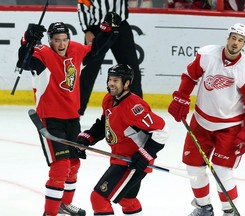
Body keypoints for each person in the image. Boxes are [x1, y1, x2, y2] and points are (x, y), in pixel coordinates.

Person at [16, 21, 114, 216]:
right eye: (56, 40)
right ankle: (50, 213)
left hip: (72, 118)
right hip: (50, 119)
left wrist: (109, 30)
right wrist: (26, 41)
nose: (61, 45)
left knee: (74, 164)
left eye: (64, 40)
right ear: (49, 41)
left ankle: (64, 204)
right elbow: (23, 62)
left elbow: (95, 50)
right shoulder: (42, 53)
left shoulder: (75, 49)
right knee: (60, 166)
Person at [168, 23, 245, 216]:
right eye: (233, 38)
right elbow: (190, 75)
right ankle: (203, 207)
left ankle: (230, 212)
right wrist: (181, 96)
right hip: (201, 123)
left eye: (240, 40)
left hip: (229, 128)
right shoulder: (207, 55)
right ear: (227, 38)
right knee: (193, 168)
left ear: (244, 44)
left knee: (223, 172)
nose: (236, 43)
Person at [76, 64, 168, 215]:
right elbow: (104, 123)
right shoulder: (108, 100)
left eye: (116, 80)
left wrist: (146, 154)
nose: (111, 83)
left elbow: (162, 130)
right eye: (110, 79)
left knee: (98, 198)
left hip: (132, 163)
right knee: (127, 200)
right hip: (120, 158)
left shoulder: (134, 107)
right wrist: (88, 137)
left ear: (126, 84)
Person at [77, 0, 143, 116]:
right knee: (88, 73)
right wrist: (87, 29)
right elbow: (83, 3)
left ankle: (138, 112)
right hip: (97, 29)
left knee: (132, 72)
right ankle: (75, 112)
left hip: (121, 27)